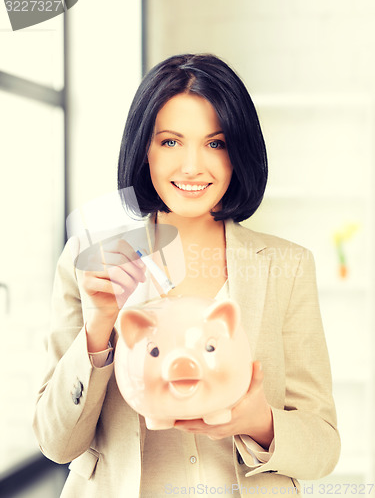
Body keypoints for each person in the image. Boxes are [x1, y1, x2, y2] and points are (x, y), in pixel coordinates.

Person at [33, 53, 340, 497]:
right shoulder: (93, 258)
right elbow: (56, 443)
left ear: (238, 151)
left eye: (214, 143)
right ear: (145, 149)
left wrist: (258, 420)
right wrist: (98, 332)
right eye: (171, 142)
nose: (193, 166)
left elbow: (324, 447)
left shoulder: (284, 266)